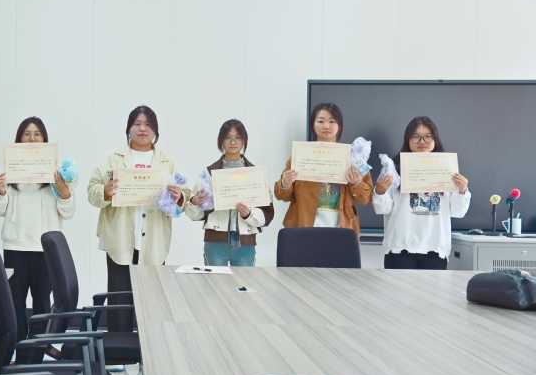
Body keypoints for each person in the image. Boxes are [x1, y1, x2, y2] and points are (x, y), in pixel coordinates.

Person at [88, 106, 190, 332]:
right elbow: (91, 191)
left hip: (153, 242)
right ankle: (119, 349)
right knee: (119, 303)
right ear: (129, 128)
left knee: (152, 304)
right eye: (137, 123)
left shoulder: (167, 161)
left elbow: (186, 197)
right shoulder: (111, 158)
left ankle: (151, 349)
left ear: (155, 130)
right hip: (119, 240)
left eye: (148, 124)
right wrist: (105, 191)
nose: (142, 128)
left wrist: (179, 196)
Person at [0, 117, 74, 341]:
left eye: (37, 134)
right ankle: (18, 347)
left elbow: (68, 212)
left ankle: (38, 348)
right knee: (14, 301)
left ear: (45, 139)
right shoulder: (7, 168)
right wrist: (0, 192)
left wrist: (64, 192)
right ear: (19, 138)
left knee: (42, 301)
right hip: (15, 246)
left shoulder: (57, 171)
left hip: (44, 248)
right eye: (27, 134)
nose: (32, 138)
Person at [373, 116, 470, 269]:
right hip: (400, 247)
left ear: (435, 139)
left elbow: (458, 212)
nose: (422, 141)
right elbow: (382, 209)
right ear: (408, 139)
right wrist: (380, 190)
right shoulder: (393, 168)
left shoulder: (447, 168)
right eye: (416, 137)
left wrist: (462, 190)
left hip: (435, 247)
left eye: (427, 136)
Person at [274, 102, 373, 238]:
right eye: (320, 121)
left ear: (339, 126)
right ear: (313, 125)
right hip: (304, 229)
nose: (326, 126)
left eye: (332, 121)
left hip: (341, 232)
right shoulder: (300, 156)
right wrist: (285, 184)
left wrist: (357, 183)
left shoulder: (353, 158)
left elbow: (366, 199)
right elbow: (281, 196)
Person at [186, 119, 274, 266]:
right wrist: (194, 203)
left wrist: (249, 214)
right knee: (215, 281)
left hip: (245, 242)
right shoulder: (209, 174)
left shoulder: (255, 174)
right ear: (221, 141)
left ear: (244, 141)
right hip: (215, 242)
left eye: (238, 137)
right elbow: (194, 215)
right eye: (228, 137)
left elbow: (267, 215)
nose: (233, 142)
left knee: (243, 281)